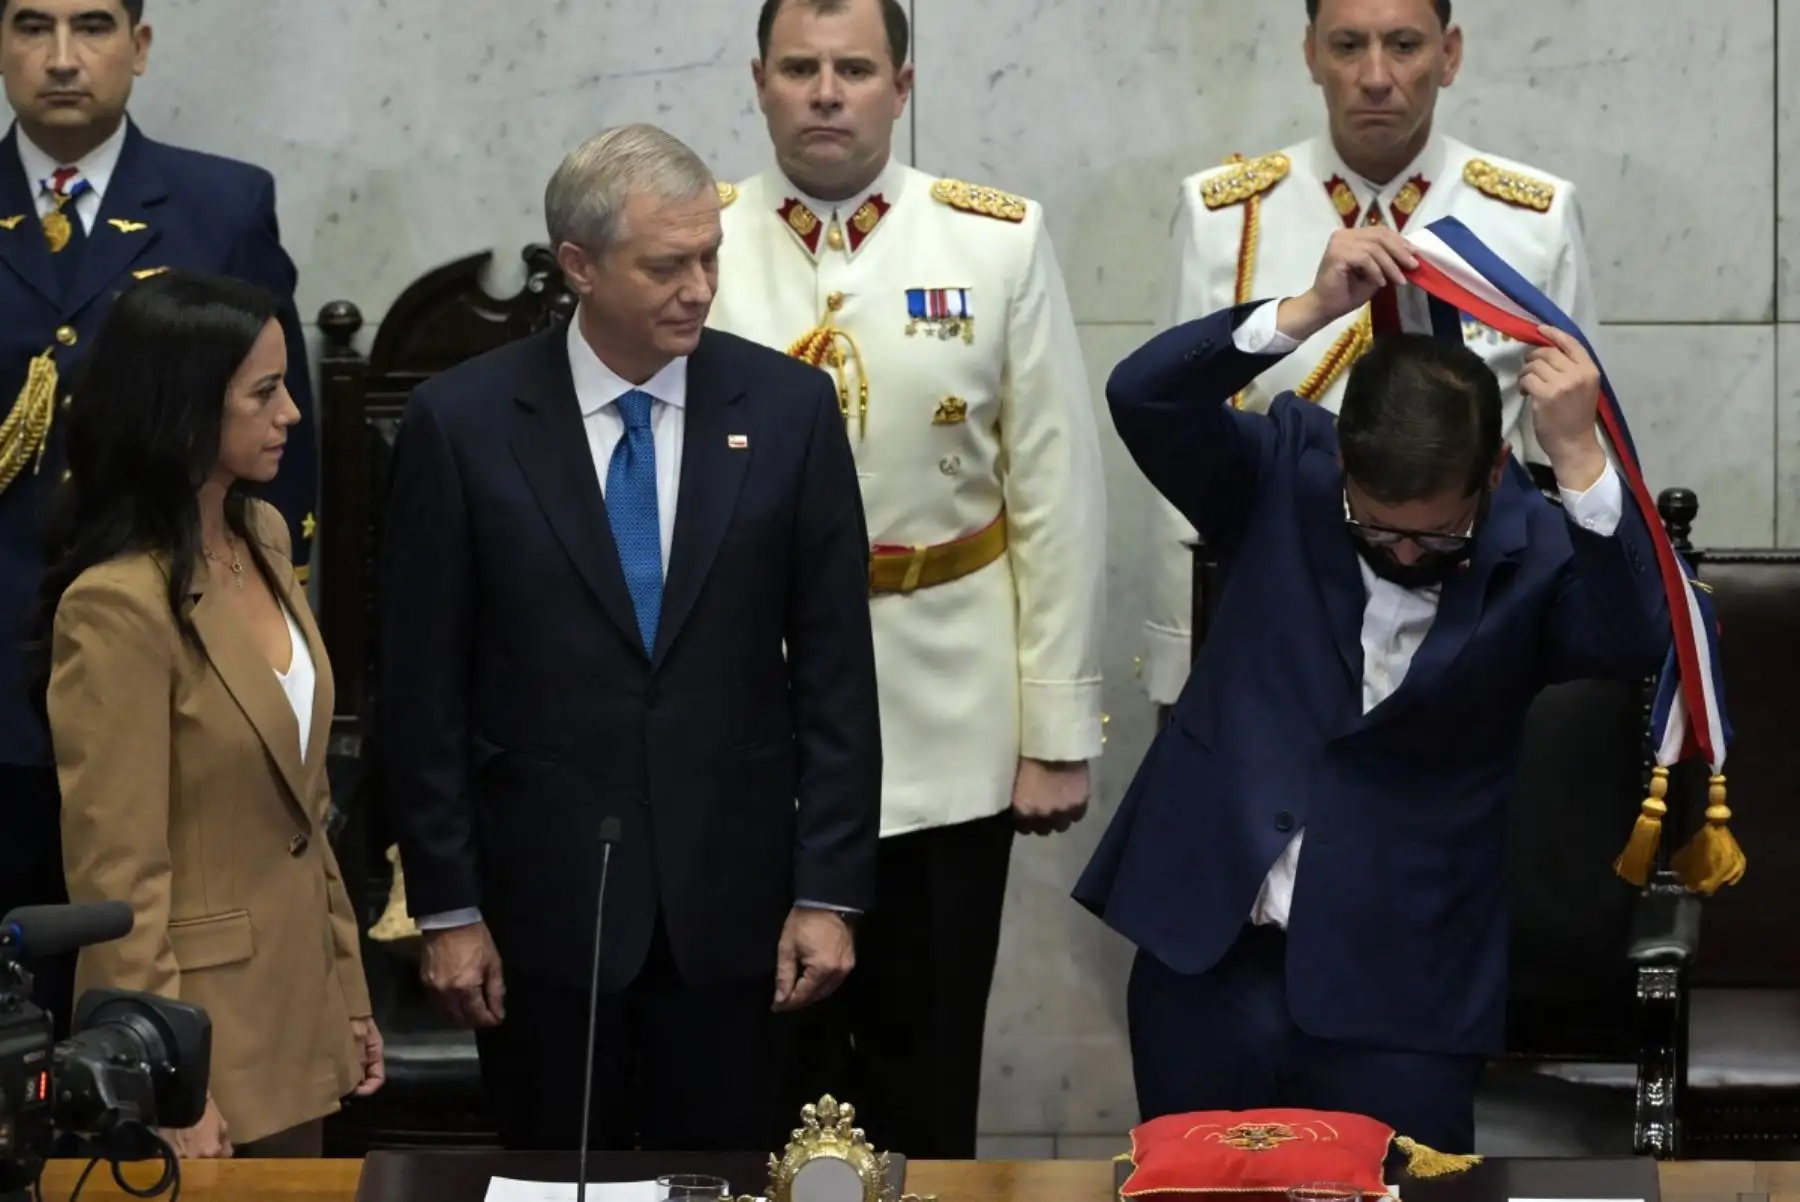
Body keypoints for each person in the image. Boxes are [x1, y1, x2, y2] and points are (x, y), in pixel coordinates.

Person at [1073, 226, 1672, 1154]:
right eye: (1376, 526)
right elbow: (1141, 394)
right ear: (1345, 466)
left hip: (1403, 985)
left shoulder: (1539, 546)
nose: (1400, 552)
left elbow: (1634, 639)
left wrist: (1585, 462)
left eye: (1433, 537)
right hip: (1208, 959)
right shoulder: (1283, 476)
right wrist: (1305, 312)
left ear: (1491, 476)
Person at [377, 122, 882, 1153]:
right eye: (666, 264)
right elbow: (422, 694)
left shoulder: (788, 409)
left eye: (709, 257)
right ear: (579, 266)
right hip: (543, 916)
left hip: (735, 914)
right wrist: (448, 908)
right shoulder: (461, 423)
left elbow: (837, 674)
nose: (698, 286)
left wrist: (828, 890)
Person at [709, 0, 1108, 1158]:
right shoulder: (701, 240)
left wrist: (1055, 726)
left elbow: (1052, 490)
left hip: (946, 707)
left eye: (853, 68)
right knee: (761, 1059)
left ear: (902, 82)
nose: (826, 91)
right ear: (760, 81)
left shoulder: (996, 239)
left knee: (924, 1062)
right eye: (801, 68)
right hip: (751, 713)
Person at [0, 0, 318, 1037]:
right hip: (6, 661)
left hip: (174, 659)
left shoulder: (223, 202)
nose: (59, 57)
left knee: (141, 955)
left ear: (139, 47)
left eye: (91, 27)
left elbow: (281, 455)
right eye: (28, 26)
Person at [1139, 0, 1598, 716]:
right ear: (1311, 54)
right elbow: (1176, 455)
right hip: (1274, 630)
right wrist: (1182, 651)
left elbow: (1559, 457)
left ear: (1449, 55)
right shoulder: (1224, 217)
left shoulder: (1532, 220)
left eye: (1404, 46)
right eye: (1348, 46)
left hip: (1468, 638)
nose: (1376, 76)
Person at [34, 271, 381, 1158]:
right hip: (197, 1038)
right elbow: (120, 878)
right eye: (264, 392)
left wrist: (348, 989)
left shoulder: (262, 535)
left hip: (297, 1012)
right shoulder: (116, 604)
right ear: (183, 407)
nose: (292, 414)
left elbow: (302, 810)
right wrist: (161, 1075)